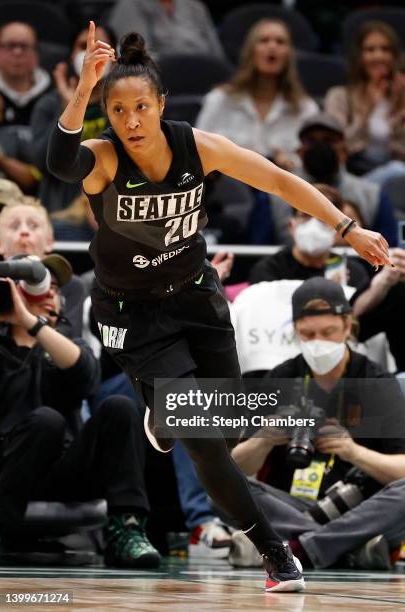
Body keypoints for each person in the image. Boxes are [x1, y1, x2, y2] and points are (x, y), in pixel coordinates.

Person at [46, 21, 391, 592]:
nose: (131, 121)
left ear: (161, 104)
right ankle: (274, 552)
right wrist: (83, 89)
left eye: (141, 107)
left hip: (197, 300)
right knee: (204, 437)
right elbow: (58, 164)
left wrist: (345, 228)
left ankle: (166, 413)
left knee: (224, 426)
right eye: (118, 110)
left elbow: (280, 181)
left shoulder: (196, 146)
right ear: (106, 115)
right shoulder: (104, 158)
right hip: (131, 314)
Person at [0, 255, 161, 568]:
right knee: (46, 421)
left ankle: (126, 529)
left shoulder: (68, 347)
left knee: (119, 407)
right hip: (5, 468)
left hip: (61, 470)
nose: (48, 293)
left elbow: (86, 378)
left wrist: (33, 325)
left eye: (54, 288)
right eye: (34, 287)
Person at [230, 277, 405, 570]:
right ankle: (344, 547)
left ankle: (295, 548)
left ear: (348, 327)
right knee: (221, 483)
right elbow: (235, 467)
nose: (318, 343)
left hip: (363, 507)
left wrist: (353, 452)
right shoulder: (280, 378)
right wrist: (263, 439)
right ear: (295, 332)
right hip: (293, 506)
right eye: (308, 334)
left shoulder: (376, 382)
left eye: (328, 332)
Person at [249, 201, 405, 372]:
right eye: (305, 216)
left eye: (322, 219)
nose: (313, 225)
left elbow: (359, 323)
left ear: (336, 229)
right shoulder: (268, 268)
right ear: (290, 225)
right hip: (279, 351)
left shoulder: (353, 270)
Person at [196, 19, 318, 169]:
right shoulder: (219, 100)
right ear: (250, 50)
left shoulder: (305, 108)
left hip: (283, 186)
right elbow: (197, 153)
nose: (272, 46)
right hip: (228, 186)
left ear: (289, 54)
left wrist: (291, 164)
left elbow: (312, 168)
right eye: (264, 40)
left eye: (280, 42)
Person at [267, 112, 398, 246]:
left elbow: (389, 248)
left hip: (354, 265)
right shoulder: (274, 193)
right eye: (311, 141)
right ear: (300, 150)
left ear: (344, 150)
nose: (319, 146)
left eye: (328, 140)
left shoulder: (372, 195)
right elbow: (256, 249)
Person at [30, 24, 116, 212]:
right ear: (71, 55)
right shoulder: (49, 104)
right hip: (58, 210)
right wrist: (68, 108)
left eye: (100, 46)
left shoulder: (122, 105)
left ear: (114, 58)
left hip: (107, 209)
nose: (90, 52)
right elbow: (39, 162)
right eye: (83, 46)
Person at [325, 21, 405, 185]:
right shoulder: (340, 96)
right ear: (359, 57)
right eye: (370, 50)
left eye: (385, 49)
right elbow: (336, 148)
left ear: (395, 56)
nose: (378, 56)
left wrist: (401, 113)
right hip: (353, 176)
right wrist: (368, 111)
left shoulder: (402, 96)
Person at [0, 199, 86, 337]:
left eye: (33, 226)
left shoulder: (69, 284)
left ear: (50, 241)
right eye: (14, 226)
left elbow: (71, 341)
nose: (24, 231)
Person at [107, 0, 225, 61]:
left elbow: (217, 54)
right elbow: (137, 58)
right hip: (161, 86)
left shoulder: (195, 6)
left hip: (207, 79)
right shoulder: (130, 6)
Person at [0, 22, 51, 126]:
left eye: (24, 46)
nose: (17, 52)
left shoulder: (55, 93)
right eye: (10, 46)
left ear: (36, 54)